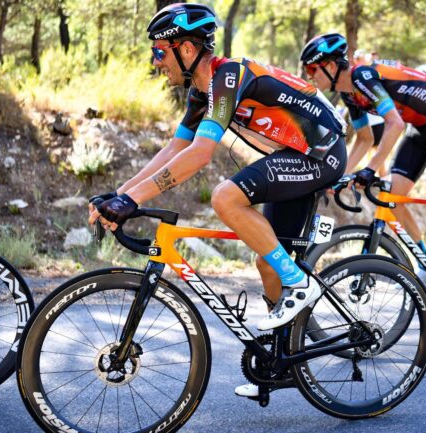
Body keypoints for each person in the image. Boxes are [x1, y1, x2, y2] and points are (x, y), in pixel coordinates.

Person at [88, 4, 348, 398]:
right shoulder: (201, 92)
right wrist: (122, 194)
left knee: (227, 197)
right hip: (293, 157)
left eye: (160, 52)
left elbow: (199, 155)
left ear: (187, 50)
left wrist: (133, 200)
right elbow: (175, 148)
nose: (157, 63)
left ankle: (299, 284)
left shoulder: (228, 76)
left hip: (321, 154)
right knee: (267, 260)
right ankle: (284, 364)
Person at [300, 33, 426, 308]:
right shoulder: (349, 94)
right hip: (419, 127)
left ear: (332, 66)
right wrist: (336, 176)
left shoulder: (362, 78)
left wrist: (370, 169)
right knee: (393, 198)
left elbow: (393, 124)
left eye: (313, 69)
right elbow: (364, 139)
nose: (310, 76)